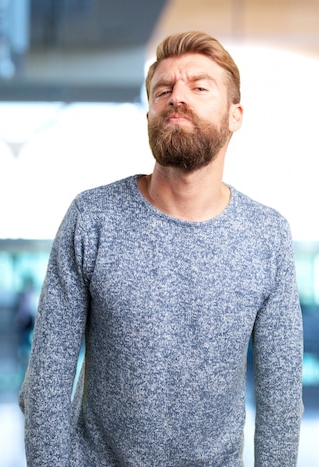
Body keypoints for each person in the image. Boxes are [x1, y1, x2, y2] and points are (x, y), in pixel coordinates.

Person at [19, 31, 304, 466]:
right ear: (150, 111)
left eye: (199, 86)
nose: (177, 97)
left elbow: (281, 396)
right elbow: (47, 380)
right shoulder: (92, 218)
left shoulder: (267, 236)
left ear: (235, 116)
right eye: (163, 89)